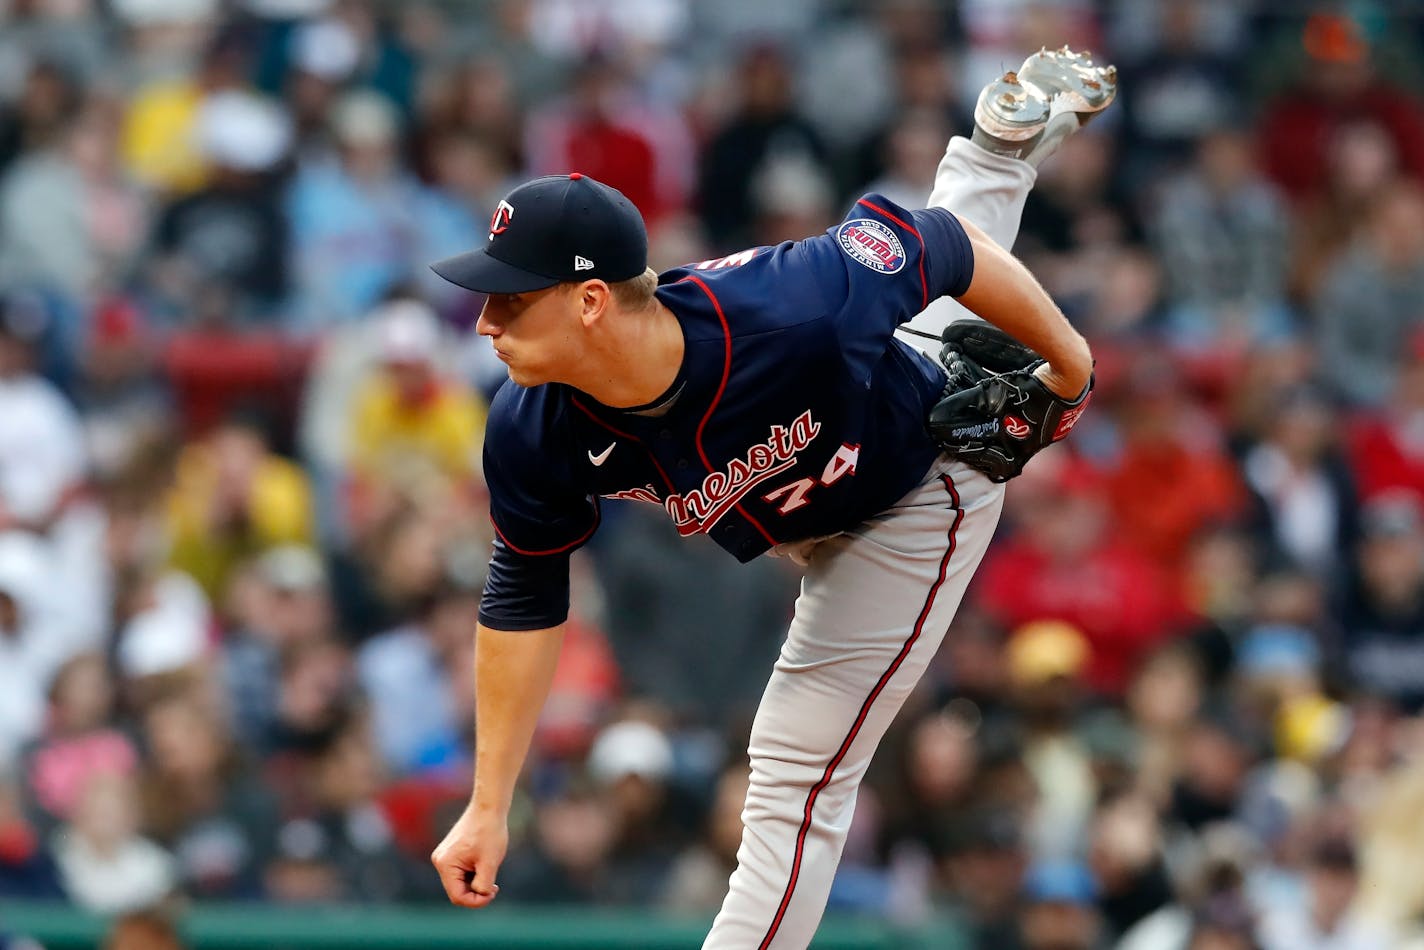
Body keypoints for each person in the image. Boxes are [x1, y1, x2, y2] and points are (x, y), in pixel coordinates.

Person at [429, 49, 1113, 948]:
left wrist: (1069, 368)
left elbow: (936, 245)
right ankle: (992, 153)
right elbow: (523, 597)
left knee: (794, 777)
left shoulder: (787, 306)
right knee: (924, 315)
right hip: (847, 434)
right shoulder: (531, 426)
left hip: (919, 483)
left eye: (510, 300)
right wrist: (488, 805)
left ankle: (993, 168)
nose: (485, 321)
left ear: (591, 301)